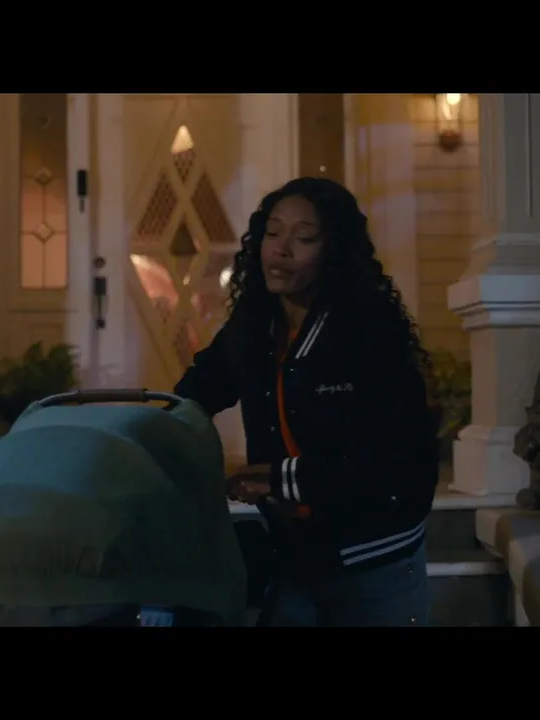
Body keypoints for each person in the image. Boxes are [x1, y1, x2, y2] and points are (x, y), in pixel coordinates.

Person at [174, 176, 440, 627]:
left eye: (304, 238)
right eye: (273, 232)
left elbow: (396, 467)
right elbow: (198, 390)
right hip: (295, 557)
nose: (281, 249)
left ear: (334, 251)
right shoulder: (256, 325)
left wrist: (278, 478)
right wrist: (159, 437)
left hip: (372, 561)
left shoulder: (370, 337)